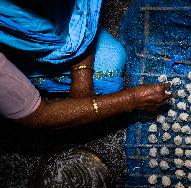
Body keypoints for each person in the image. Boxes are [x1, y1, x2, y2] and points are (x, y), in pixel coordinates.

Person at [0, 0, 172, 129]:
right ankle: (35, 74)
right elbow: (37, 115)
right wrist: (131, 100)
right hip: (13, 54)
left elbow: (82, 17)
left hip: (50, 25)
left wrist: (81, 73)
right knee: (109, 80)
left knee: (112, 58)